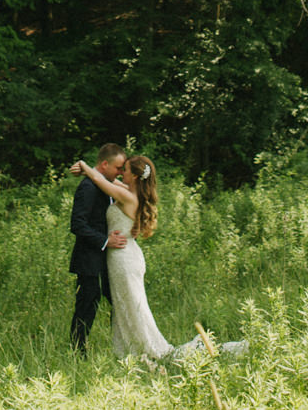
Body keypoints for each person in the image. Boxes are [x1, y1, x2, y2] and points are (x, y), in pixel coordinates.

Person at [69, 151, 247, 362]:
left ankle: (147, 349)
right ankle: (131, 348)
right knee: (129, 306)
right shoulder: (129, 192)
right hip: (125, 256)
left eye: (124, 170)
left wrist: (84, 164)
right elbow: (106, 181)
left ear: (134, 176)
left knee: (134, 307)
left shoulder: (126, 196)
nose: (120, 173)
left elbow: (100, 179)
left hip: (124, 258)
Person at [69, 142, 129, 353]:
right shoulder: (88, 187)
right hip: (89, 259)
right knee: (87, 305)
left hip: (107, 259)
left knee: (117, 300)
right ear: (104, 164)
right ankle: (78, 351)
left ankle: (121, 347)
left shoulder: (104, 183)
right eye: (118, 168)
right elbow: (77, 224)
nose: (121, 173)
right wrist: (105, 240)